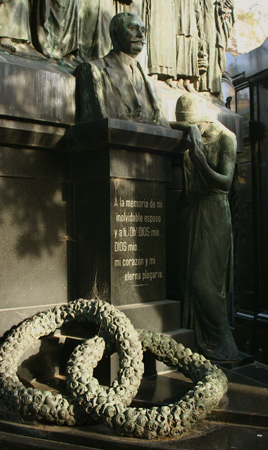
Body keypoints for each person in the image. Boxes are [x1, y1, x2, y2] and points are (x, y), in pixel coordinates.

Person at [172, 93, 240, 361]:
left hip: (214, 209)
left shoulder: (226, 138)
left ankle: (221, 342)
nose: (195, 132)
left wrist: (201, 163)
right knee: (188, 278)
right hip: (191, 210)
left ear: (205, 119)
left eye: (196, 126)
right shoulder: (192, 131)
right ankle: (195, 342)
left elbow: (225, 182)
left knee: (205, 281)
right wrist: (189, 130)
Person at [74, 12, 167, 126]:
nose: (140, 35)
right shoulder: (94, 70)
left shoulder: (150, 83)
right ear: (116, 34)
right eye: (133, 28)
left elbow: (163, 126)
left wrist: (187, 128)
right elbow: (97, 124)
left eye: (142, 30)